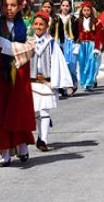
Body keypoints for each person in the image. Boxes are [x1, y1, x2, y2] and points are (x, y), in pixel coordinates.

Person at [0, 0, 36, 167]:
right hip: (0, 73)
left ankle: (22, 145)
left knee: (18, 111)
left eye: (13, 5)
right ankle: (5, 151)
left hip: (19, 72)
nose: (9, 8)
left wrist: (11, 47)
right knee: (1, 112)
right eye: (6, 5)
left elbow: (32, 46)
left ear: (19, 6)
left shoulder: (26, 25)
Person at [29, 11, 73, 151]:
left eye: (41, 24)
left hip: (46, 82)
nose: (38, 27)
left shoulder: (52, 43)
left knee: (44, 111)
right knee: (36, 112)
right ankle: (40, 135)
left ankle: (43, 140)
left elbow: (58, 63)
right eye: (35, 24)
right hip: (32, 82)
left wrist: (57, 82)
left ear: (47, 26)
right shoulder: (29, 42)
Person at [51, 0, 78, 96]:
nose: (65, 7)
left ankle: (73, 83)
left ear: (70, 7)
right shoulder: (55, 18)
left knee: (71, 65)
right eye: (63, 5)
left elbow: (77, 33)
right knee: (61, 66)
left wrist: (77, 44)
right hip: (59, 43)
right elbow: (52, 31)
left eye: (67, 5)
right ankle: (64, 87)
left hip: (71, 43)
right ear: (60, 6)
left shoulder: (74, 19)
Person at [76, 1, 104, 91]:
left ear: (91, 11)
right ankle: (83, 82)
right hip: (81, 44)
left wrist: (97, 48)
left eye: (88, 10)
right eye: (84, 10)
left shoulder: (96, 21)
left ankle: (89, 83)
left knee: (91, 63)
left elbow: (98, 35)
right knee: (82, 63)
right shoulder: (78, 21)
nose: (86, 12)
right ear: (82, 11)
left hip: (91, 44)